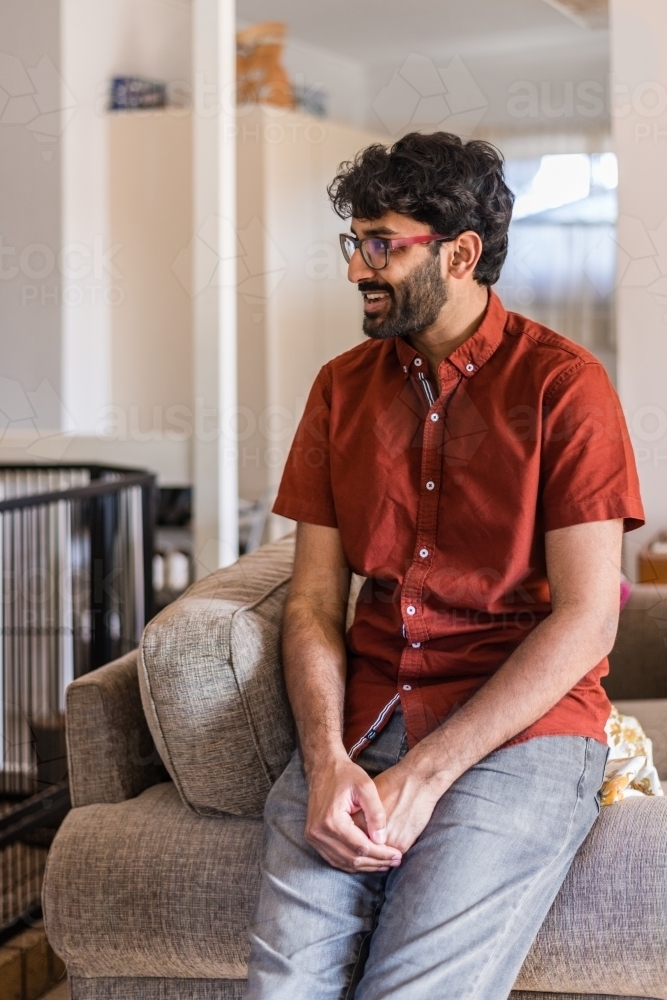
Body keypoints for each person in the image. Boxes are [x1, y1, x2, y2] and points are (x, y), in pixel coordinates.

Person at [245, 131, 644, 1000]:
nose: (358, 269)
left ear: (461, 254)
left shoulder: (565, 388)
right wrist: (324, 762)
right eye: (356, 243)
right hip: (367, 715)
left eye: (383, 245)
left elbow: (588, 617)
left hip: (522, 732)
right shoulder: (338, 388)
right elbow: (313, 601)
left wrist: (424, 777)